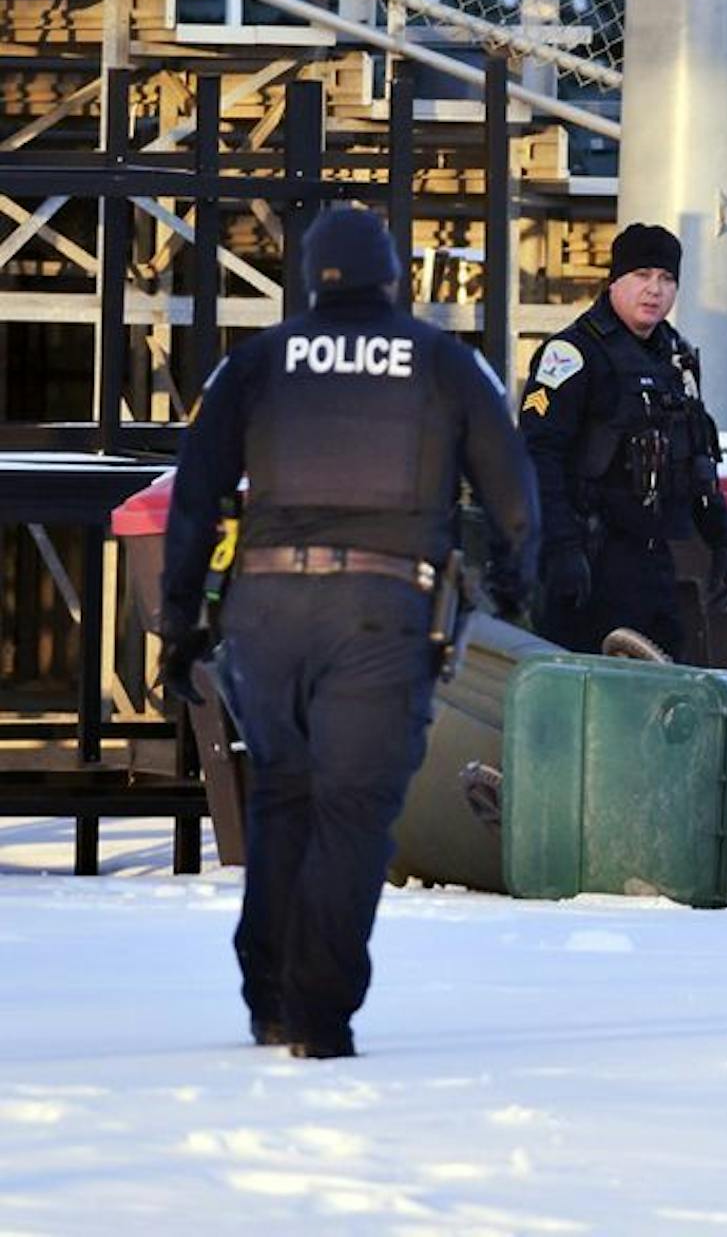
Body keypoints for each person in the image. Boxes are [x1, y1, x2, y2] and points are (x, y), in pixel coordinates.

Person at [156, 206, 539, 1059]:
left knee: (285, 795)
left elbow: (194, 494)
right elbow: (512, 493)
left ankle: (269, 999)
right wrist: (510, 588)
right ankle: (318, 1015)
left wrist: (179, 621)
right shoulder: (444, 363)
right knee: (353, 809)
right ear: (393, 278)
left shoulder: (255, 363)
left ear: (307, 280)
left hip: (265, 614)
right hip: (382, 611)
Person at [517, 223, 727, 659]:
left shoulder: (676, 357)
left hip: (656, 563)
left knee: (662, 691)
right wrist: (560, 550)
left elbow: (697, 455)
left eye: (667, 278)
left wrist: (724, 539)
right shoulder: (573, 355)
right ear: (614, 280)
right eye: (642, 276)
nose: (654, 290)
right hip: (591, 560)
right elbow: (537, 457)